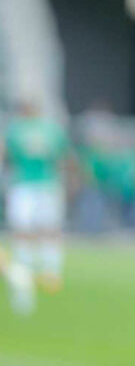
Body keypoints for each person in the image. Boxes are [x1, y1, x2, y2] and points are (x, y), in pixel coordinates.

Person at [2, 99, 70, 313]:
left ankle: (39, 273)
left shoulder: (21, 130)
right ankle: (43, 273)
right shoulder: (46, 129)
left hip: (35, 184)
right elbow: (63, 157)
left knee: (32, 230)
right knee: (37, 230)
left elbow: (7, 156)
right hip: (35, 184)